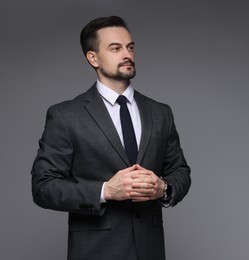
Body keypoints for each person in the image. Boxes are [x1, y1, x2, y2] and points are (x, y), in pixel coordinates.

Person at [31, 16, 191, 260]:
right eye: (115, 48)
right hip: (96, 251)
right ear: (93, 58)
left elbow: (180, 171)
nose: (127, 54)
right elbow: (43, 187)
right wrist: (106, 191)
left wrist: (164, 188)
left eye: (130, 47)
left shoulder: (160, 112)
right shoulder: (65, 115)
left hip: (150, 250)